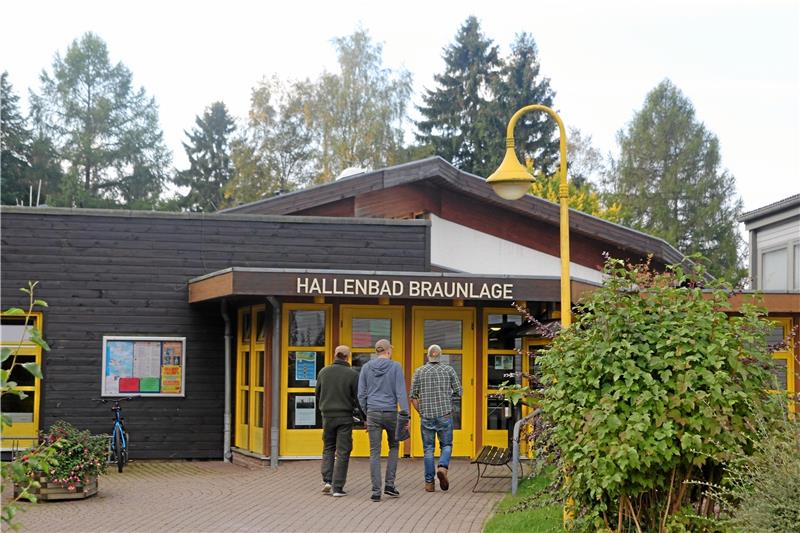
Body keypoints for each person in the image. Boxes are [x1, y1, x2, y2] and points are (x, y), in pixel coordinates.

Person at [357, 339, 409, 502]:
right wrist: (405, 415)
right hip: (391, 412)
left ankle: (376, 491)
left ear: (376, 351)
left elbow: (361, 394)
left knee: (374, 451)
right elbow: (401, 392)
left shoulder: (366, 367)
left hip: (373, 412)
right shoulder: (396, 367)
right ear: (388, 351)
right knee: (394, 446)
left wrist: (367, 413)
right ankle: (389, 485)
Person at [410, 344, 462, 492]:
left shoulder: (419, 372)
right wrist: (449, 398)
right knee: (446, 445)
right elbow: (459, 391)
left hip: (426, 415)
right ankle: (442, 467)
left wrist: (421, 412)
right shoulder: (449, 370)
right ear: (440, 356)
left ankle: (429, 483)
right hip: (444, 414)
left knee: (428, 449)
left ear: (428, 356)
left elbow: (413, 396)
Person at [315, 345, 359, 497]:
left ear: (335, 354)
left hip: (327, 416)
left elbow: (317, 393)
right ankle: (338, 487)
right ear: (348, 356)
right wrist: (363, 417)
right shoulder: (352, 374)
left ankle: (327, 480)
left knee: (328, 447)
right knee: (343, 451)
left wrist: (323, 407)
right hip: (345, 416)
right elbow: (358, 398)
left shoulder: (323, 372)